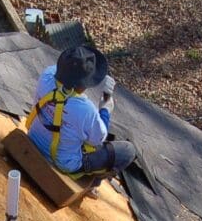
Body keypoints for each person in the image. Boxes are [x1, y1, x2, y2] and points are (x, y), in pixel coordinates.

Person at [26, 43, 137, 192]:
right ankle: (92, 185)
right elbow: (98, 138)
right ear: (83, 85)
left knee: (74, 130)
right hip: (63, 162)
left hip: (34, 139)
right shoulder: (85, 110)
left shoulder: (46, 75)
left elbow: (62, 75)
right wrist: (105, 109)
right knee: (128, 150)